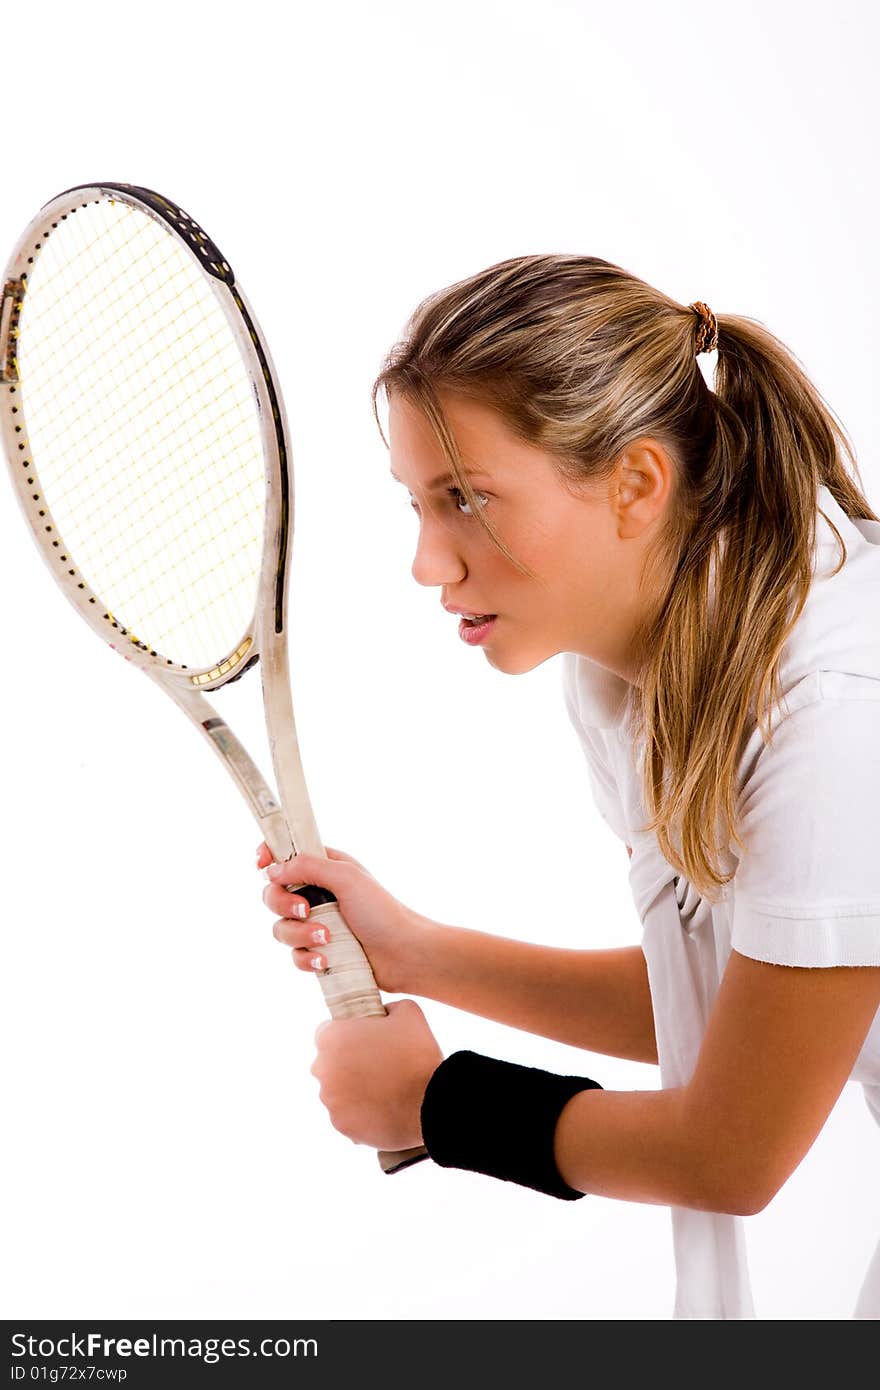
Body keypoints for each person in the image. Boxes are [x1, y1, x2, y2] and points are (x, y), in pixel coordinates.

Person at [256, 256, 880, 1319]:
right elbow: (753, 1010)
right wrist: (415, 951)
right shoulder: (629, 670)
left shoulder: (833, 711)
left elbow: (734, 1150)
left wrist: (434, 1103)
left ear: (636, 484)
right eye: (417, 503)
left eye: (466, 499)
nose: (426, 561)